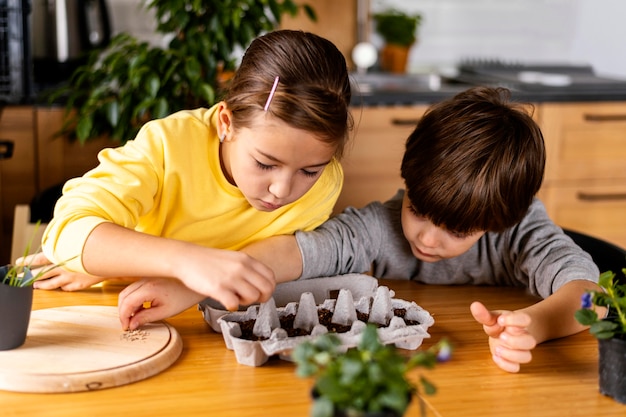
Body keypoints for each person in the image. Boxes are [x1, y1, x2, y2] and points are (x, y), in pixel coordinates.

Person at [117, 86, 605, 373]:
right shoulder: (380, 225)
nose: (427, 239)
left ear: (502, 220)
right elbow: (298, 252)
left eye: (457, 230)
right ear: (407, 183)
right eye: (418, 210)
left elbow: (588, 292)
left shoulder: (521, 232)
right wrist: (189, 283)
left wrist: (535, 325)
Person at [33, 29, 353, 311]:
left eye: (309, 171)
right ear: (226, 123)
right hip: (121, 303)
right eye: (265, 163)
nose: (283, 190)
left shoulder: (326, 181)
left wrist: (187, 283)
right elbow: (67, 232)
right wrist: (175, 263)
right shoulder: (169, 144)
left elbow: (283, 250)